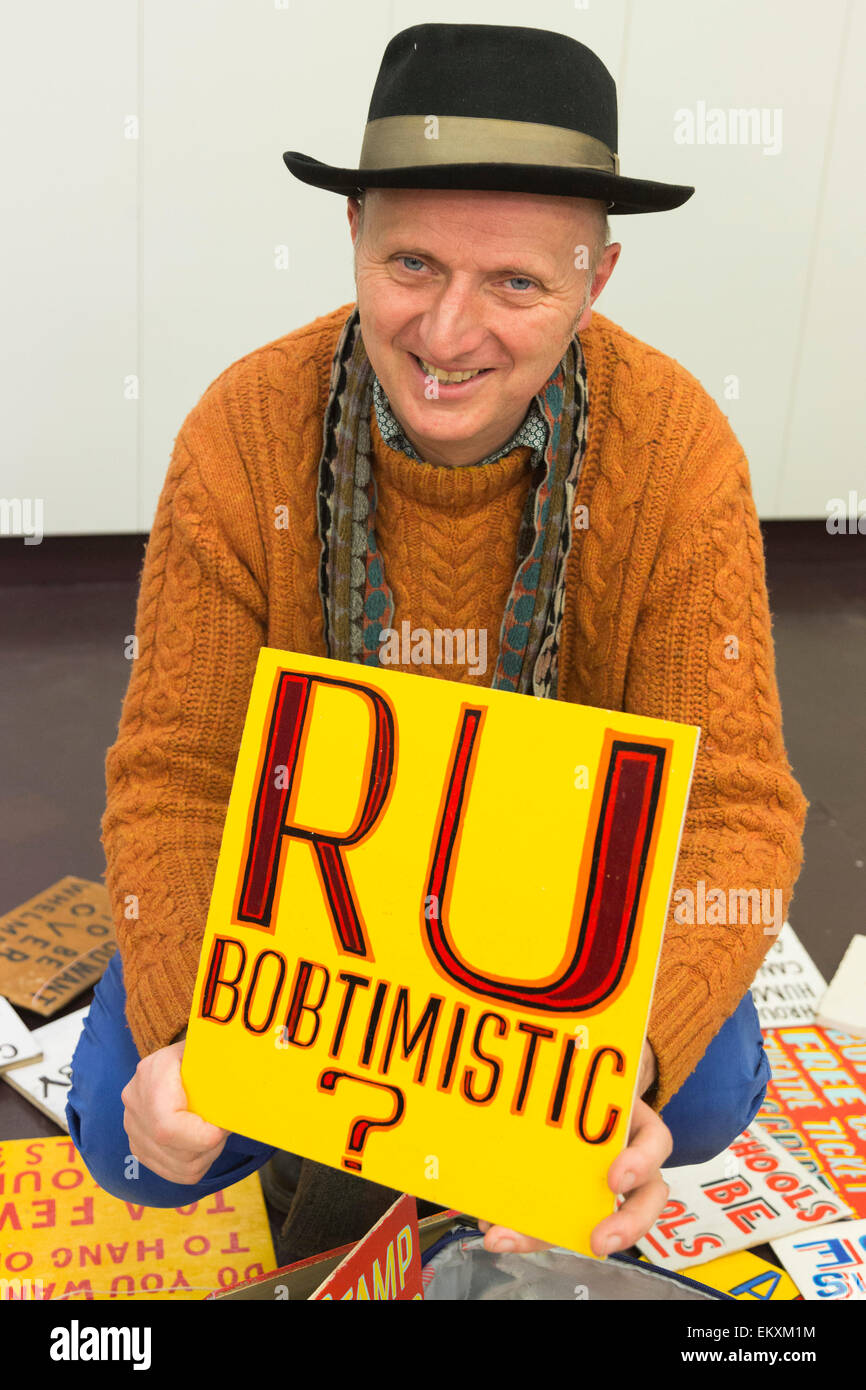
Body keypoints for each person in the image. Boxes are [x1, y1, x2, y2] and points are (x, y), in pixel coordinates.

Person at [68, 23, 807, 1266]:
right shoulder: (244, 430)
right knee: (126, 1134)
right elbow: (179, 772)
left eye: (517, 283)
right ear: (352, 236)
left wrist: (607, 1073)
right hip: (304, 911)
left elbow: (733, 806)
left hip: (552, 922)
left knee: (703, 1086)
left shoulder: (675, 451)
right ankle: (346, 1125)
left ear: (596, 279)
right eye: (410, 262)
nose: (449, 332)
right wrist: (195, 1027)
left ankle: (453, 1136)